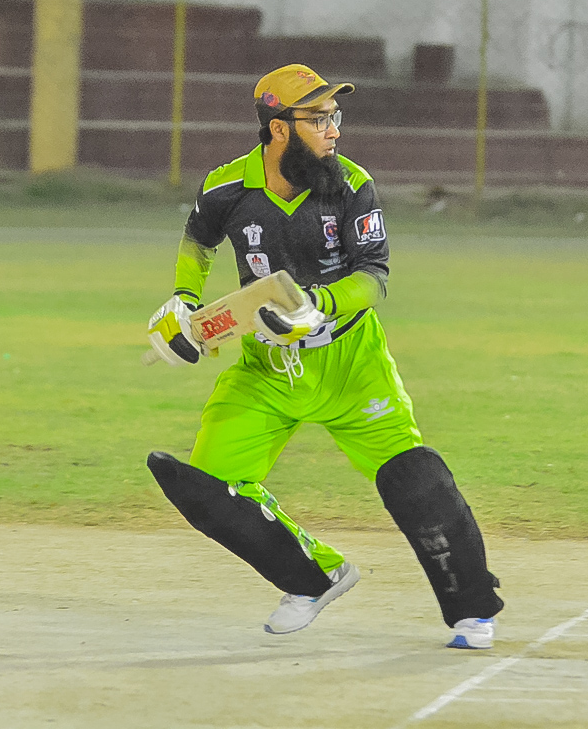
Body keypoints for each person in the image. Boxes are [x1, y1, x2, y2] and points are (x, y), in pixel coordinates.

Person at [144, 63, 503, 649]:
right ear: (278, 128)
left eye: (335, 115)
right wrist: (184, 301)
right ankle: (314, 576)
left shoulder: (352, 184)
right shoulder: (226, 187)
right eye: (318, 118)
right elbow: (198, 243)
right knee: (210, 488)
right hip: (266, 369)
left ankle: (473, 611)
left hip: (351, 363)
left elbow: (374, 275)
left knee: (413, 479)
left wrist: (319, 303)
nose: (334, 129)